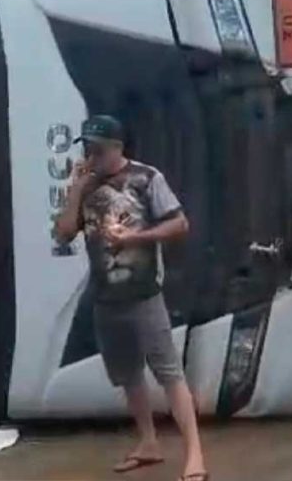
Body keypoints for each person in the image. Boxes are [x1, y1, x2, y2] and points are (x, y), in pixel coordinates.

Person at [53, 115, 208, 481]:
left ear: (117, 147)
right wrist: (75, 190)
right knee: (128, 375)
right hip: (105, 296)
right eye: (87, 148)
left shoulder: (146, 178)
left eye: (99, 148)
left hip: (143, 293)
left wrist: (134, 240)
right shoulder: (85, 187)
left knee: (169, 372)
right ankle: (148, 442)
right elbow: (62, 234)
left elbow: (180, 224)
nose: (92, 155)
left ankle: (195, 455)